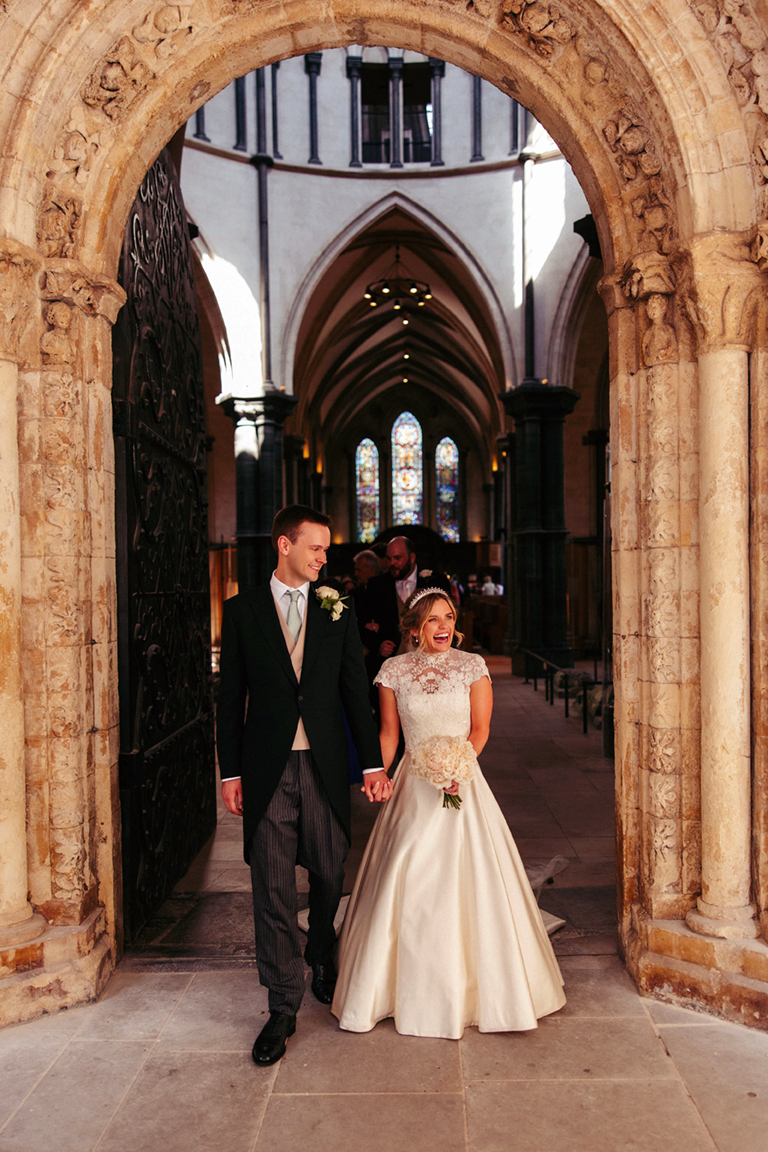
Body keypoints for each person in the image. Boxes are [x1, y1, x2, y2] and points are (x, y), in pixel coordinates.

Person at [331, 588, 566, 1038]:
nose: (443, 626)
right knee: (407, 865)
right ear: (415, 627)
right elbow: (388, 733)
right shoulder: (392, 671)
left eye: (449, 617)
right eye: (433, 619)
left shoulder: (472, 667)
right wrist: (377, 774)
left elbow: (480, 730)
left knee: (472, 878)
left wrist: (461, 766)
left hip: (463, 782)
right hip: (413, 783)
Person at [217, 505, 392, 1067]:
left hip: (322, 764)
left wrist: (371, 764)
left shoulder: (336, 610)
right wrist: (230, 771)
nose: (324, 558)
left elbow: (353, 692)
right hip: (267, 768)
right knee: (269, 886)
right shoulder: (241, 611)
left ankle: (320, 950)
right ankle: (282, 1004)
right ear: (284, 545)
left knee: (328, 868)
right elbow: (229, 701)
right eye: (316, 547)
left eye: (326, 549)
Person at [365, 536, 451, 671]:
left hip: (430, 658)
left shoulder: (436, 581)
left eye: (397, 558)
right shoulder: (377, 585)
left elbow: (449, 620)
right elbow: (365, 624)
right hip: (392, 661)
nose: (392, 563)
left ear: (411, 558)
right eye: (389, 558)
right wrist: (378, 645)